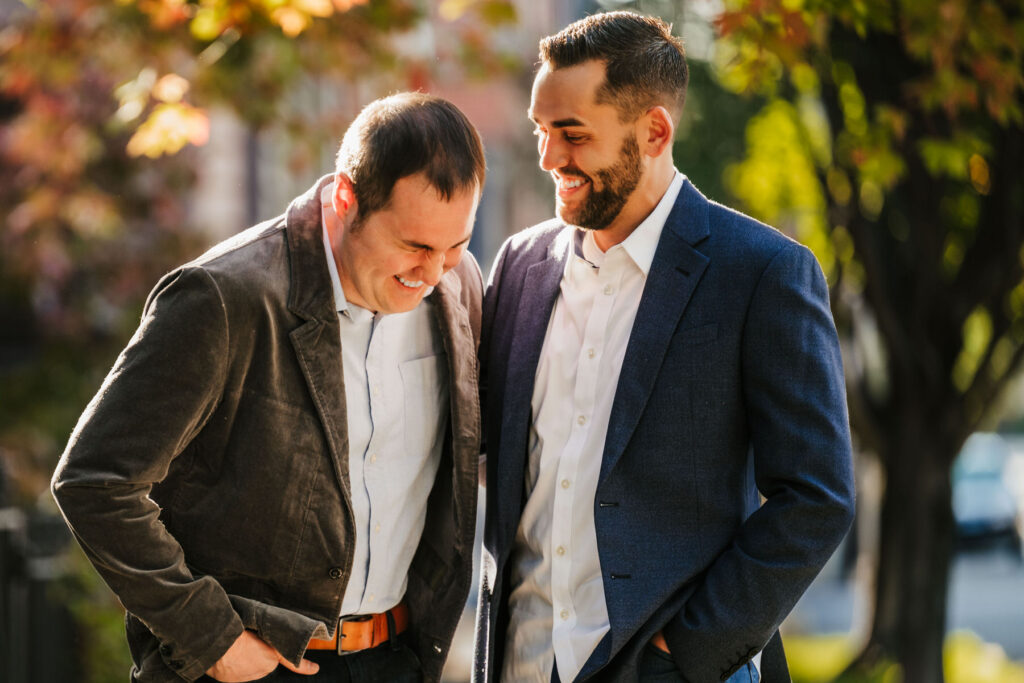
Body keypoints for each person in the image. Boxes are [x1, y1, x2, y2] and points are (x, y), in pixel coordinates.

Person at [51, 92, 486, 683]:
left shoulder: (457, 288)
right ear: (345, 198)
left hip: (397, 659)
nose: (432, 274)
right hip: (255, 665)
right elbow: (96, 481)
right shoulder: (224, 297)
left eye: (454, 246)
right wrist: (210, 636)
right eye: (414, 246)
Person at [474, 12, 855, 683]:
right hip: (518, 663)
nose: (548, 157)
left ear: (654, 131)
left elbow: (816, 494)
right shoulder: (518, 267)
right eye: (541, 130)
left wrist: (691, 648)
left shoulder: (761, 272)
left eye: (572, 133)